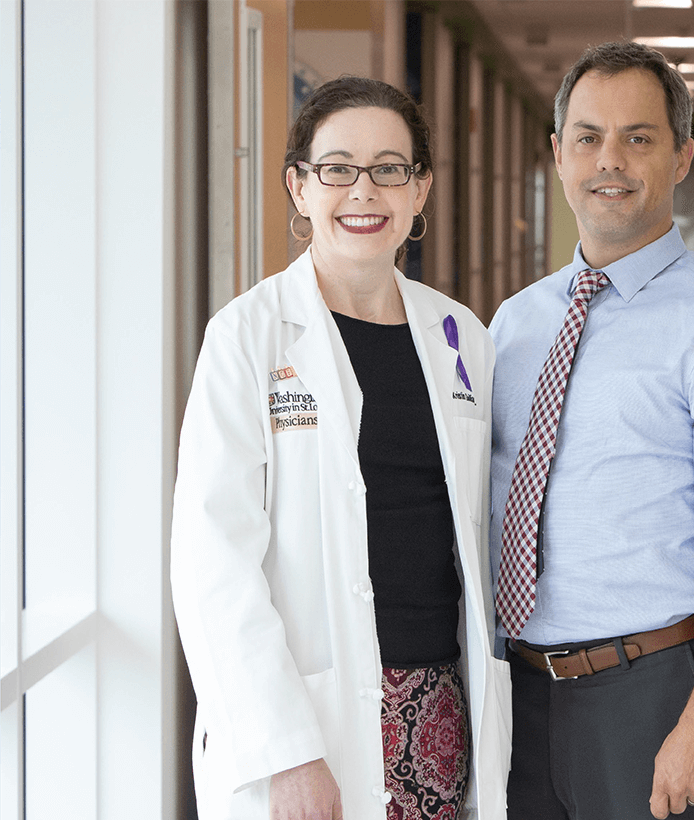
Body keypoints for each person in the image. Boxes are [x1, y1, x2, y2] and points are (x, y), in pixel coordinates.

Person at [171, 77, 510, 820]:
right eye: (337, 169)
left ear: (420, 189)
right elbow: (212, 561)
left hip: (439, 709)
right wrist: (284, 750)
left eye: (391, 168)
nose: (365, 190)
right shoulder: (248, 336)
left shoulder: (460, 337)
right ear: (299, 186)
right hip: (305, 721)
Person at [489, 42, 694, 820]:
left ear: (683, 155)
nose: (611, 160)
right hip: (519, 694)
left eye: (640, 137)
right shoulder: (514, 323)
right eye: (589, 137)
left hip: (656, 693)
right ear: (558, 154)